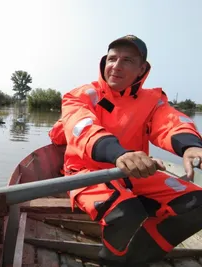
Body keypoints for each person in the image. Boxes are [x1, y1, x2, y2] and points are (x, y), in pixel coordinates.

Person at [48, 35, 202, 266]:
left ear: (141, 69)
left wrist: (191, 145)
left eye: (127, 60)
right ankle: (111, 260)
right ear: (104, 62)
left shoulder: (152, 100)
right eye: (112, 59)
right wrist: (119, 154)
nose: (116, 66)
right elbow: (83, 128)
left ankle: (141, 254)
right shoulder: (81, 95)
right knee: (125, 215)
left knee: (197, 203)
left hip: (134, 172)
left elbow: (169, 122)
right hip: (87, 171)